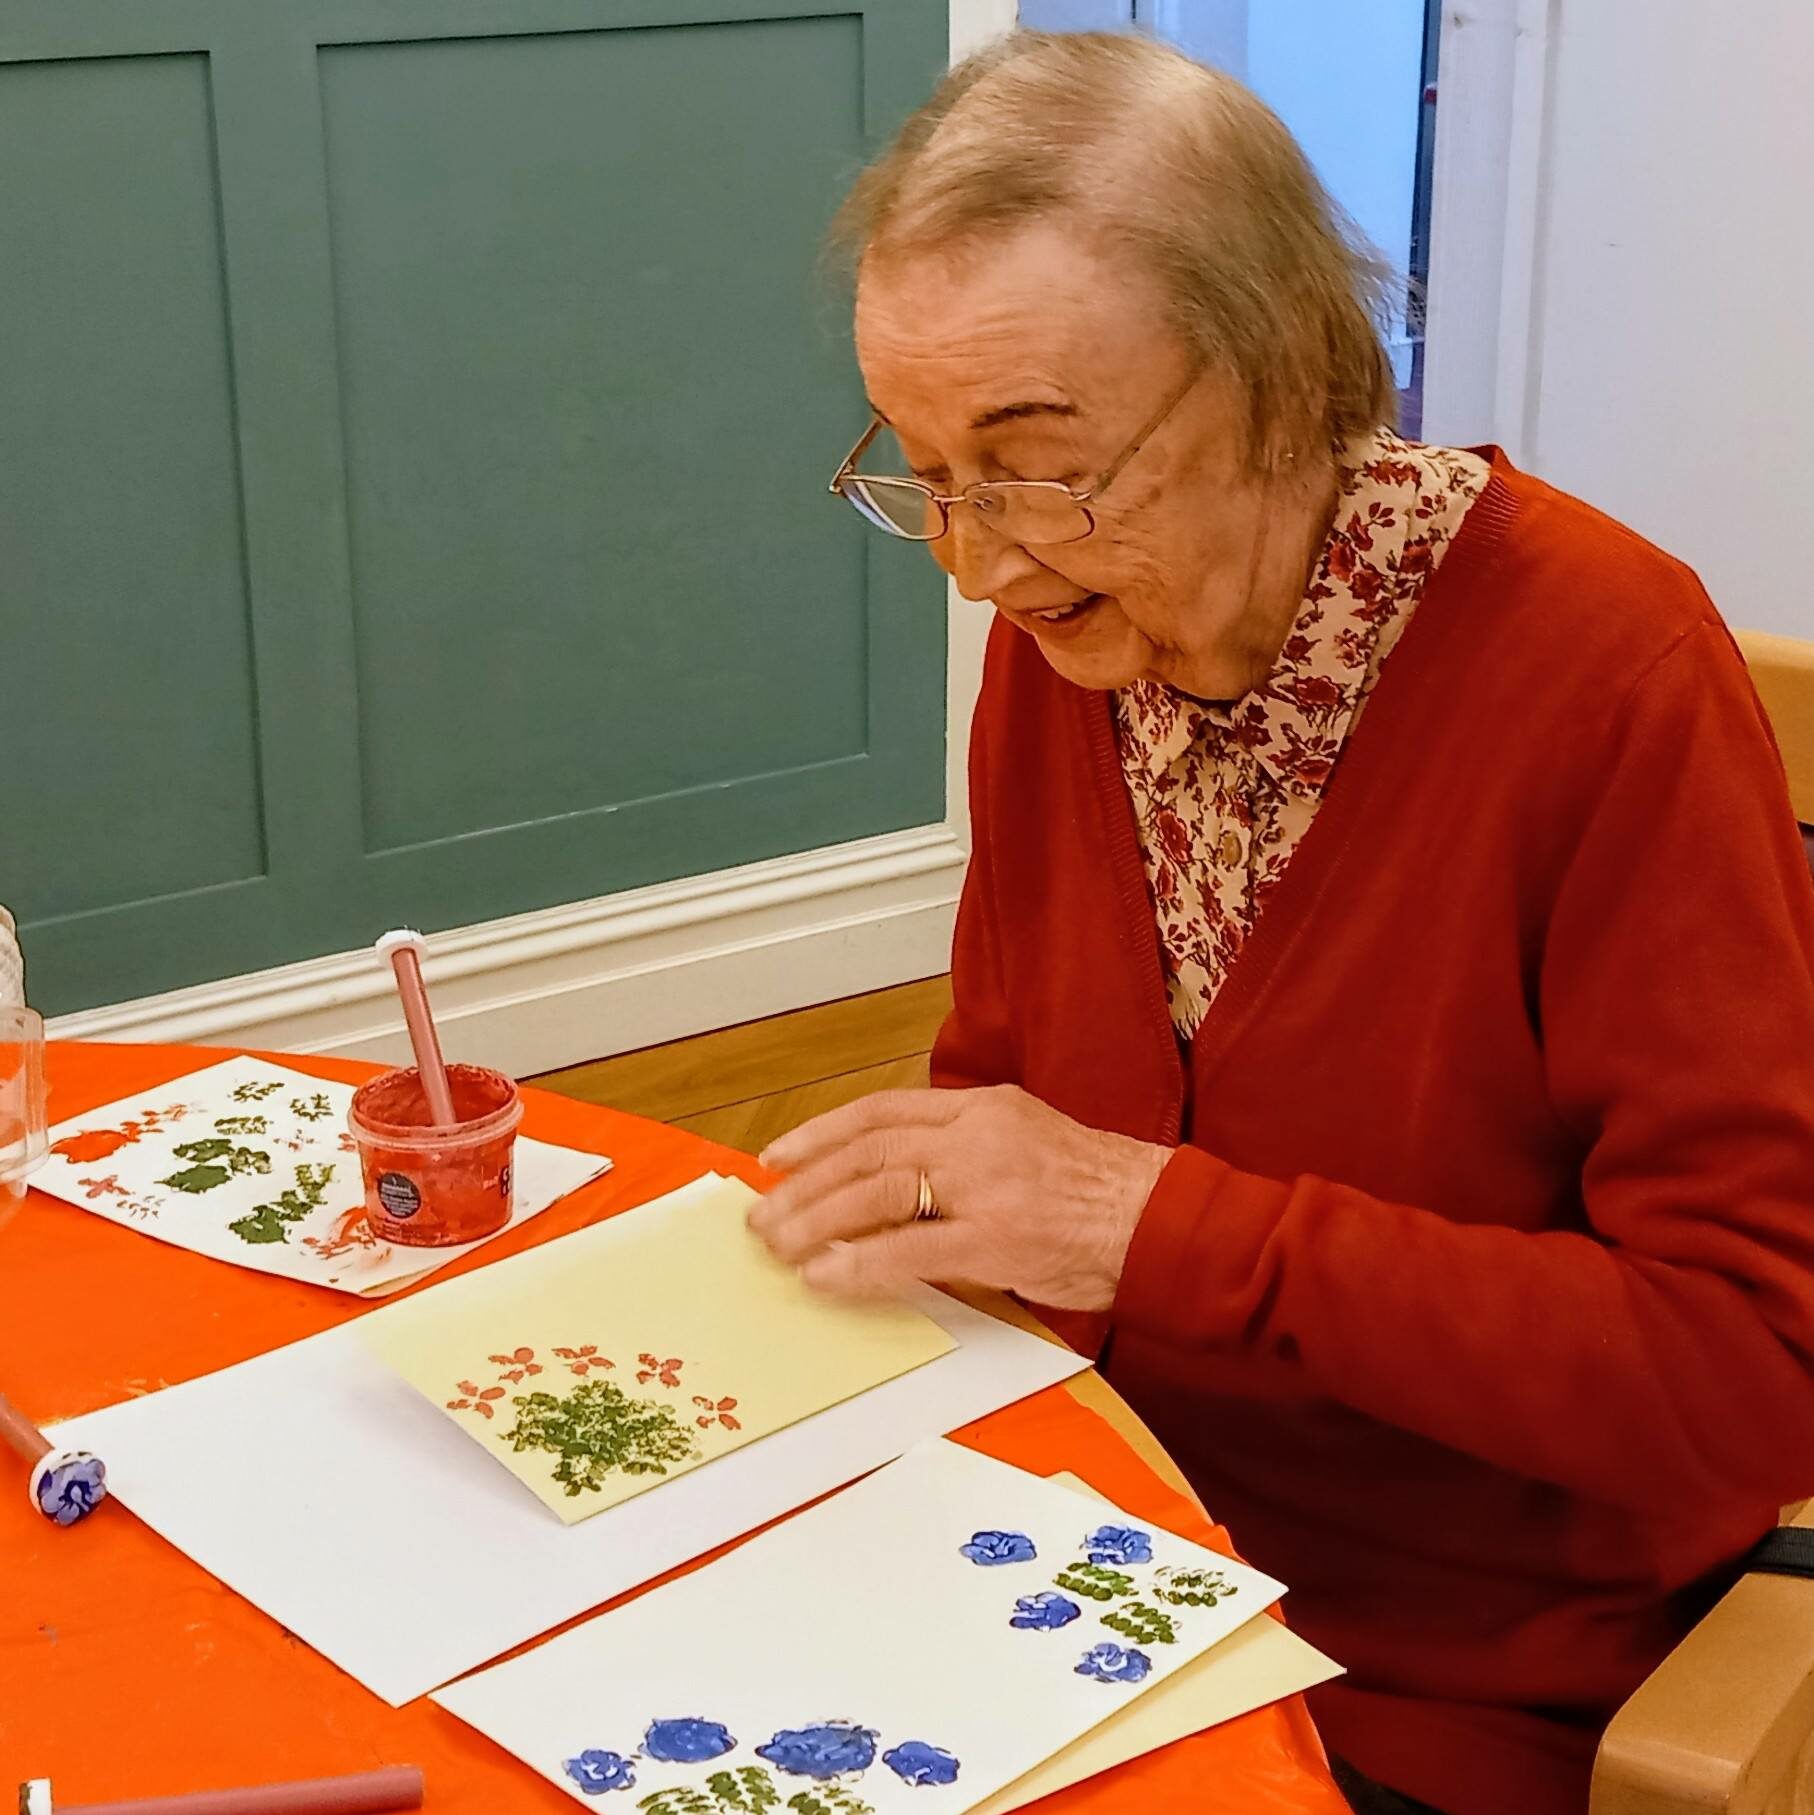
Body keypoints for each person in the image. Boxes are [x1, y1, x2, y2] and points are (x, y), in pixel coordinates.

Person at [747, 30, 1814, 1815]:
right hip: (1071, 1579)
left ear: (1275, 377)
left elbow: (1746, 1374)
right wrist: (925, 1222)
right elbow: (1009, 1121)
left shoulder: (1603, 680)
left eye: (1034, 463)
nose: (979, 565)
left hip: (1427, 1684)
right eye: (924, 470)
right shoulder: (1075, 643)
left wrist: (1158, 1228)